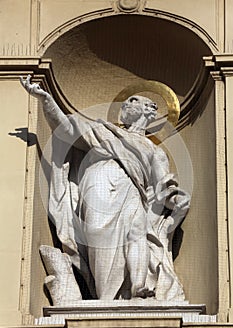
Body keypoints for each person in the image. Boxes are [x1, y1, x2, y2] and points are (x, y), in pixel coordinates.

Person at [20, 75, 190, 301]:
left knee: (138, 231)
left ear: (149, 109)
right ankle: (105, 297)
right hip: (97, 189)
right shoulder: (105, 131)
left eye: (133, 101)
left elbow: (163, 186)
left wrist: (176, 201)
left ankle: (139, 286)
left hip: (132, 192)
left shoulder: (155, 151)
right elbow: (66, 129)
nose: (125, 105)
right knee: (97, 235)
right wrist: (46, 99)